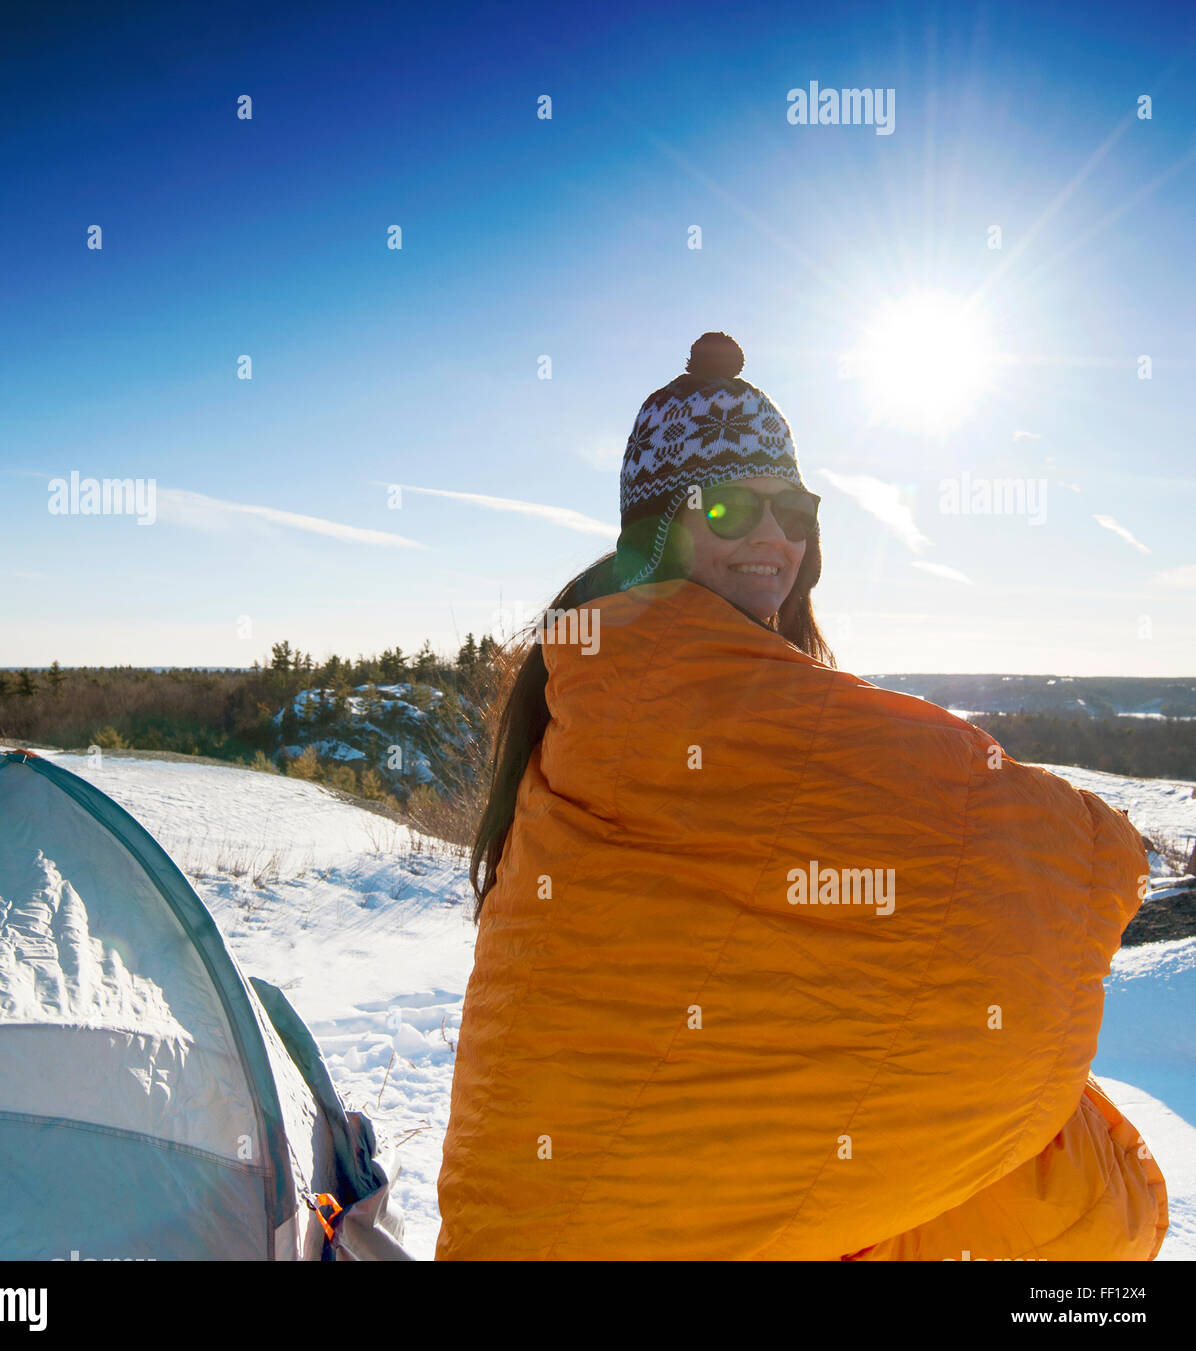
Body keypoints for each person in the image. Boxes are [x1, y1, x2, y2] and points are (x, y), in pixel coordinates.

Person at [435, 332, 1168, 1261]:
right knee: (1081, 1191)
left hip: (531, 1227)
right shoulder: (675, 695)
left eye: (794, 506)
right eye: (733, 505)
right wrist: (1104, 851)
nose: (773, 535)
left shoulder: (594, 677)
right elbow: (984, 825)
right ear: (658, 526)